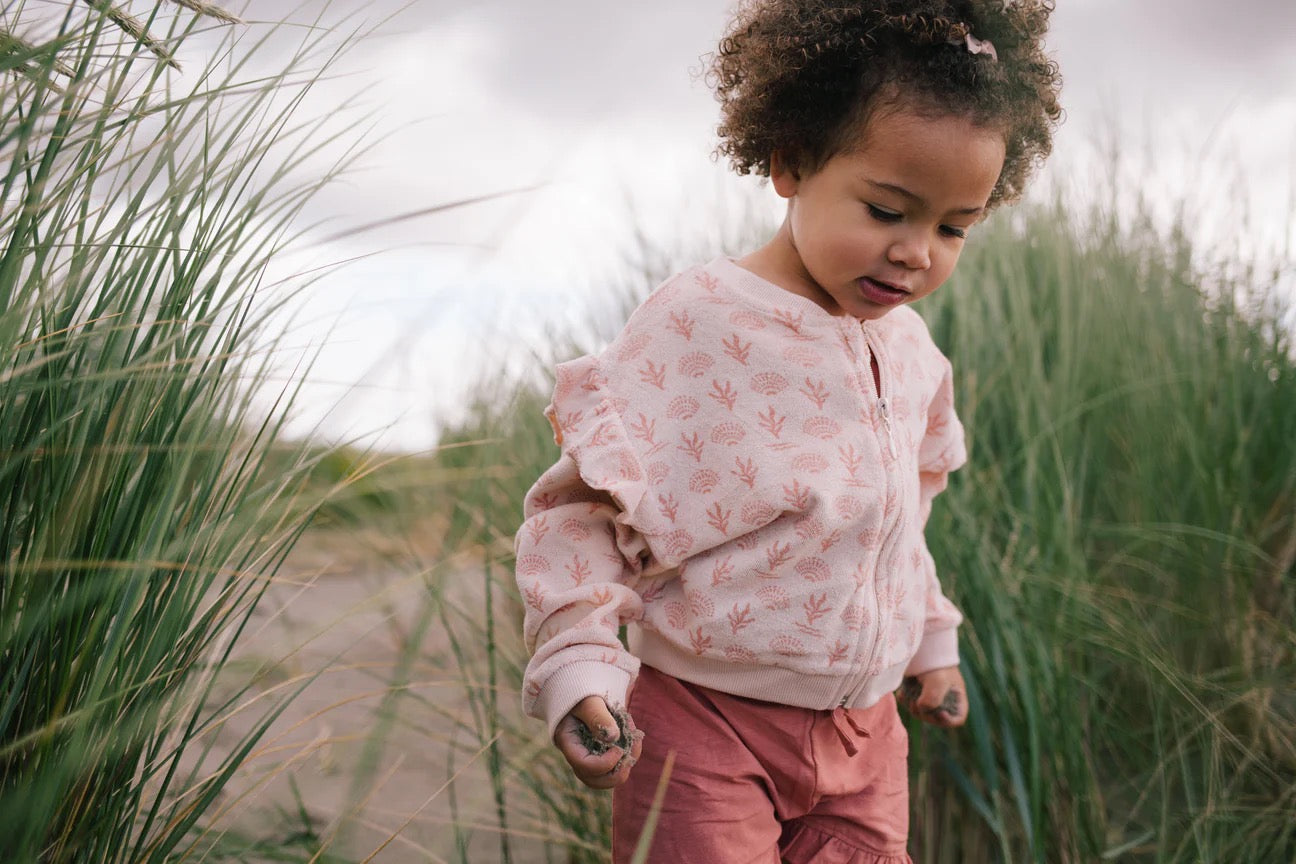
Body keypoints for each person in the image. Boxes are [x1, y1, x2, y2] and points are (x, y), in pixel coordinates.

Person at [515, 1, 1062, 861]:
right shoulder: (700, 323)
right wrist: (579, 661)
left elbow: (892, 527)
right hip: (705, 723)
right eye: (887, 210)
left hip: (867, 735)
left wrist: (929, 641)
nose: (918, 251)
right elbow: (580, 512)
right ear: (792, 161)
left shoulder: (913, 352)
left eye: (954, 228)